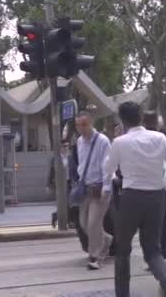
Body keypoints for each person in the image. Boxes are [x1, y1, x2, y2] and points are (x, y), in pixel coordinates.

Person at [105, 101, 166, 297]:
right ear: (140, 117)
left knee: (123, 250)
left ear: (122, 120)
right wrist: (163, 186)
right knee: (153, 250)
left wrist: (115, 179)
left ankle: (123, 294)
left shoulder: (120, 142)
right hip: (157, 198)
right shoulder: (159, 138)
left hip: (131, 198)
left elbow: (107, 171)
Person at [73, 111, 113, 270]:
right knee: (84, 224)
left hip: (99, 188)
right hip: (85, 188)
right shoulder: (79, 142)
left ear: (91, 123)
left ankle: (96, 256)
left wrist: (107, 186)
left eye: (84, 124)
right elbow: (81, 164)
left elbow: (108, 165)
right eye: (78, 125)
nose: (81, 128)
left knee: (93, 223)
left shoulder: (103, 141)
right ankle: (107, 239)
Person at [142, 110, 166, 260]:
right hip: (162, 184)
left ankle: (152, 253)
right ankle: (162, 252)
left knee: (147, 222)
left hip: (144, 185)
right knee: (162, 220)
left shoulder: (138, 139)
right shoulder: (162, 137)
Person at [49, 141, 73, 229]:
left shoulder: (71, 158)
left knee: (69, 203)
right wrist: (49, 184)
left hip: (69, 182)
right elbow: (51, 172)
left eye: (67, 146)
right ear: (60, 148)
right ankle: (56, 216)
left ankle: (69, 222)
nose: (66, 148)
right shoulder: (55, 158)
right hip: (59, 184)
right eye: (64, 146)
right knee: (62, 204)